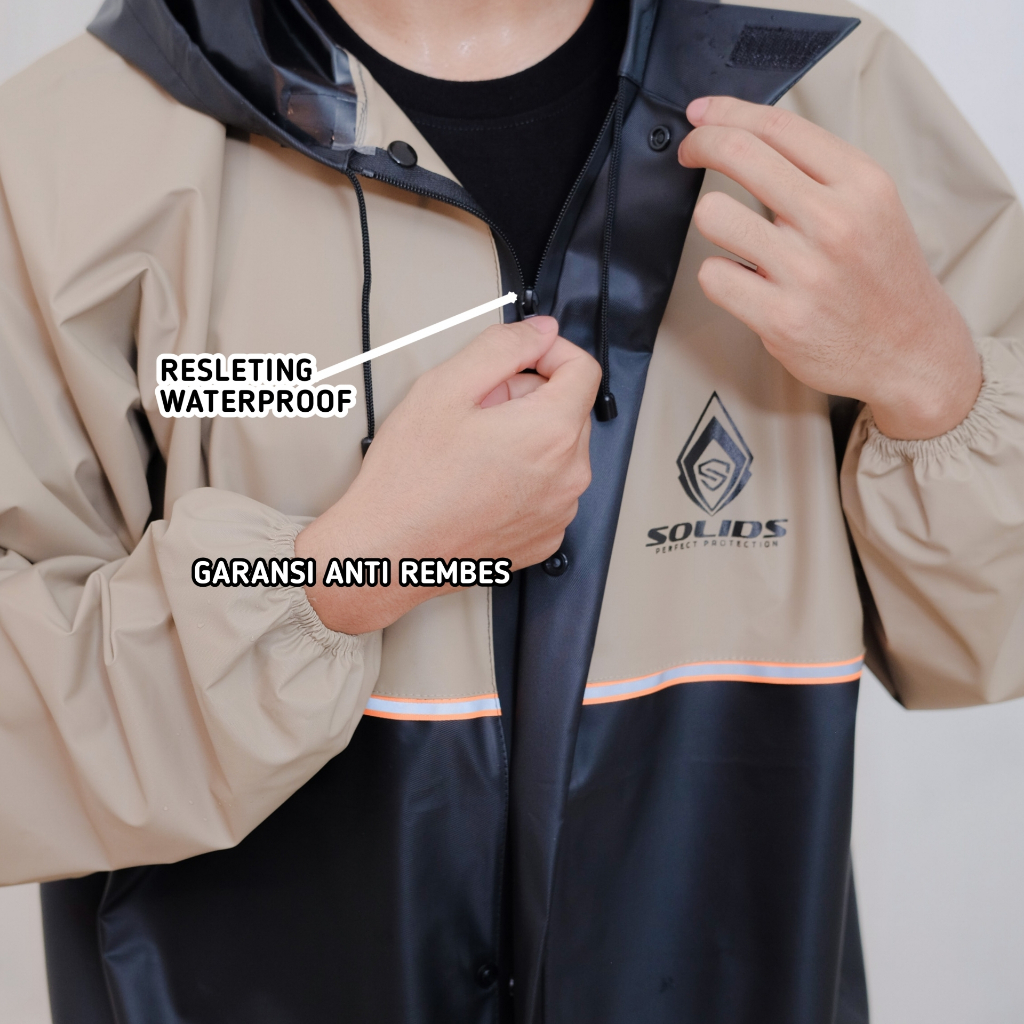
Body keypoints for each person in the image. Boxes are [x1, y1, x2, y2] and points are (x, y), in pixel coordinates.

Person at [0, 0, 1021, 1020]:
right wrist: (345, 574)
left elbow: (991, 634)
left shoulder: (824, 90)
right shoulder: (71, 153)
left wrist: (930, 378)